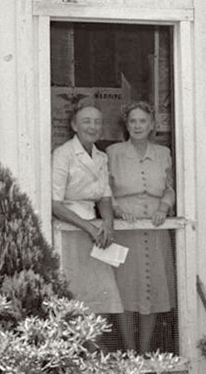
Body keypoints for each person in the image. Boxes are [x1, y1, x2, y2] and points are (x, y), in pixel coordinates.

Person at [107, 101, 176, 354]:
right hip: (127, 231)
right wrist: (117, 209)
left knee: (152, 289)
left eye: (142, 121)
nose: (137, 126)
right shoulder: (113, 153)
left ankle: (145, 350)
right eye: (133, 121)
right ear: (126, 125)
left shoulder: (163, 153)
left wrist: (163, 208)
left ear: (152, 125)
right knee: (125, 290)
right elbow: (104, 190)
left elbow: (169, 188)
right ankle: (129, 350)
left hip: (156, 232)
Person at [51, 103, 123, 319]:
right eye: (86, 121)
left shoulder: (101, 157)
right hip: (71, 231)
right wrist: (89, 228)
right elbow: (55, 204)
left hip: (97, 233)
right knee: (76, 296)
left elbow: (104, 196)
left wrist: (108, 224)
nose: (93, 127)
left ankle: (96, 347)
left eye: (97, 122)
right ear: (74, 125)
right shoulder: (63, 154)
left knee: (103, 294)